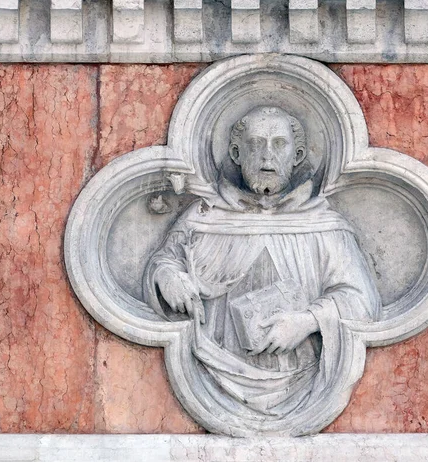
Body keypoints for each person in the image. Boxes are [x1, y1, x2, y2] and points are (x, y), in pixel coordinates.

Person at [143, 106, 380, 420]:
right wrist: (168, 277)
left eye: (279, 144)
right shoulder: (205, 216)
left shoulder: (324, 225)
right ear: (237, 153)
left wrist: (307, 321)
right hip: (213, 369)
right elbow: (165, 261)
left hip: (300, 377)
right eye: (256, 144)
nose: (267, 155)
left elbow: (362, 300)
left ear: (297, 155)